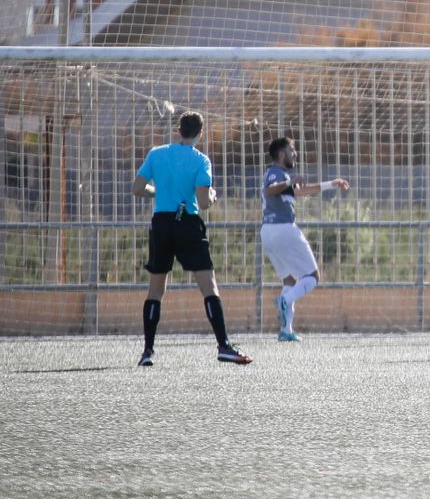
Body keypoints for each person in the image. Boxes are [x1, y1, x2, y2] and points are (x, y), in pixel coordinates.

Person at [132, 111, 250, 366]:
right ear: (200, 134)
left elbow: (137, 188)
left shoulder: (156, 153)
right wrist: (214, 196)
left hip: (161, 223)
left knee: (155, 290)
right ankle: (223, 346)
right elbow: (205, 202)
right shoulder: (201, 161)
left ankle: (147, 352)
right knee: (209, 286)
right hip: (187, 222)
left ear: (178, 130)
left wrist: (158, 192)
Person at [260, 136, 347, 341]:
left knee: (289, 279)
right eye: (292, 150)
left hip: (268, 232)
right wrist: (289, 181)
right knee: (313, 277)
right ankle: (284, 300)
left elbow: (304, 190)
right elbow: (270, 190)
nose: (295, 154)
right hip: (283, 229)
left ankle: (286, 330)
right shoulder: (276, 173)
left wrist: (330, 184)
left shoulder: (281, 178)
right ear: (282, 154)